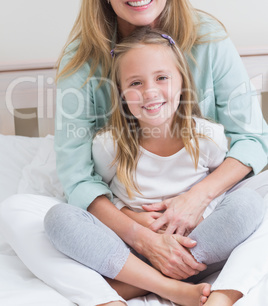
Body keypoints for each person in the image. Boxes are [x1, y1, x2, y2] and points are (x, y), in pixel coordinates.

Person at [0, 0, 267, 306]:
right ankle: (168, 280)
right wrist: (139, 232)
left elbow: (253, 140)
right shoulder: (81, 60)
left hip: (204, 215)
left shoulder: (208, 39)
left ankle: (207, 290)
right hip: (126, 217)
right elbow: (79, 177)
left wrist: (195, 200)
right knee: (17, 212)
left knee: (260, 199)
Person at [45, 27, 265, 304]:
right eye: (135, 83)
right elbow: (103, 196)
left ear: (182, 82)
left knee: (248, 202)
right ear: (121, 93)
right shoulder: (110, 145)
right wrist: (134, 220)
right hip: (133, 249)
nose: (150, 92)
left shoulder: (207, 138)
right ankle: (167, 279)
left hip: (196, 242)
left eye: (162, 78)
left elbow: (223, 194)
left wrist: (199, 215)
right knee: (59, 218)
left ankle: (144, 283)